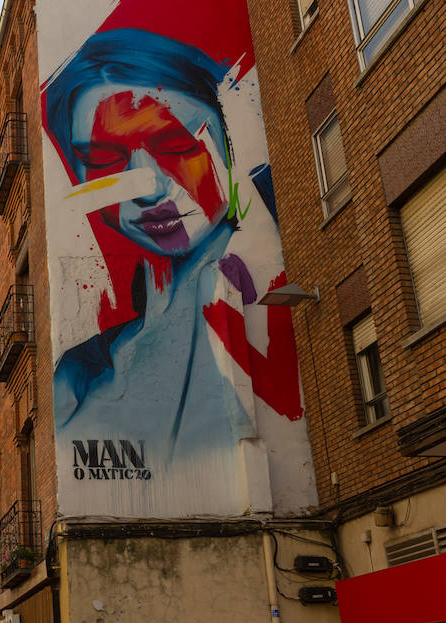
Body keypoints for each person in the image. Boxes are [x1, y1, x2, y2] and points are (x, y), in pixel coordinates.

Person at [45, 27, 303, 488]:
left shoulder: (284, 289)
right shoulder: (78, 377)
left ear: (231, 139)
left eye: (177, 147)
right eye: (105, 160)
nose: (148, 186)